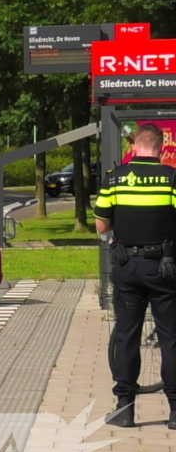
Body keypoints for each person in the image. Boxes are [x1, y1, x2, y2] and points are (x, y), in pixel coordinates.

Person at [94, 123, 176, 428]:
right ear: (160, 146)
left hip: (127, 267)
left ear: (134, 147)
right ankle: (175, 413)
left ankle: (124, 410)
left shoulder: (114, 179)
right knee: (170, 338)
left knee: (127, 337)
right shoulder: (172, 178)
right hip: (165, 269)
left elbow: (102, 226)